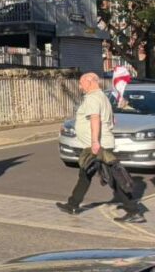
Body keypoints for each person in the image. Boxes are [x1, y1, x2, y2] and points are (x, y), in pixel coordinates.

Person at [57, 72, 143, 222]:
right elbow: (111, 120)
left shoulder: (93, 98)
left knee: (114, 179)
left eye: (81, 82)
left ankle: (133, 211)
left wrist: (95, 142)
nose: (79, 86)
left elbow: (95, 119)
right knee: (85, 174)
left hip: (98, 147)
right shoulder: (103, 97)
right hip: (99, 145)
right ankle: (73, 204)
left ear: (90, 82)